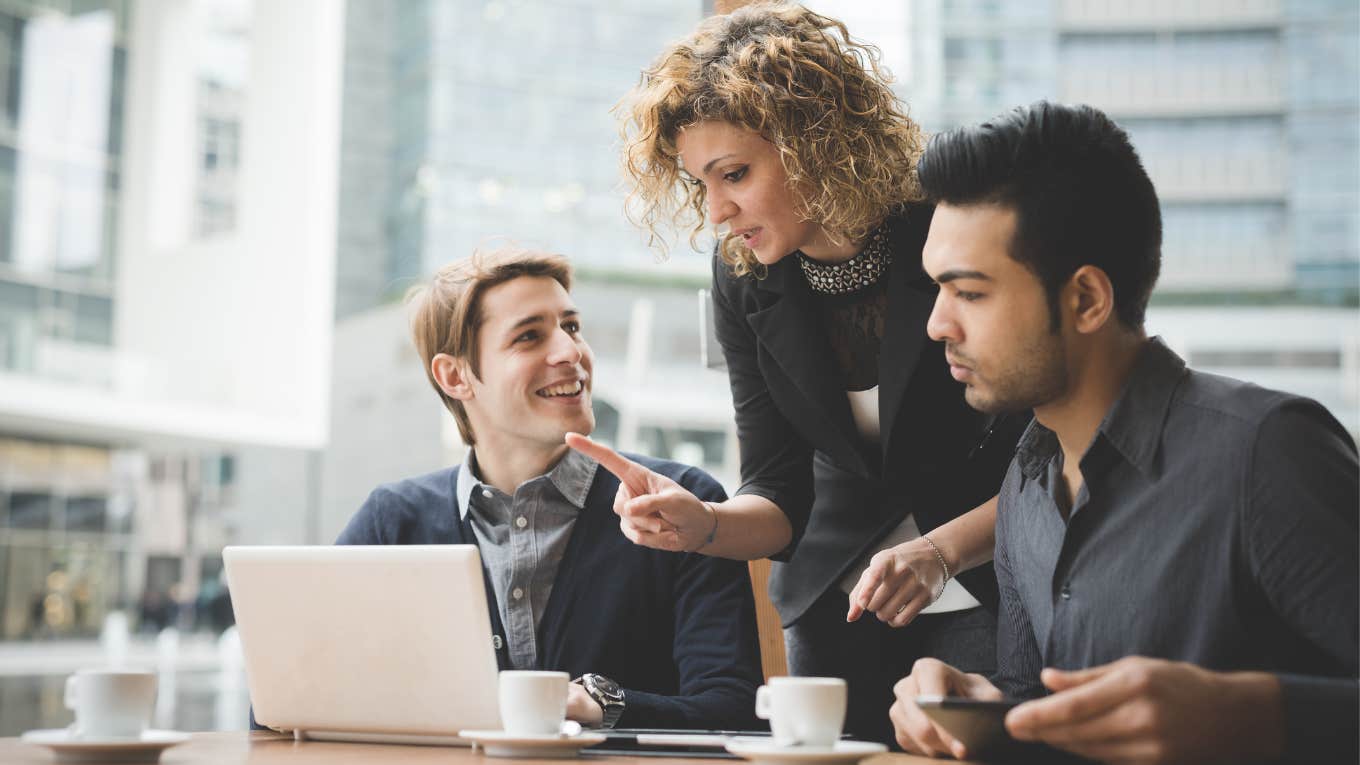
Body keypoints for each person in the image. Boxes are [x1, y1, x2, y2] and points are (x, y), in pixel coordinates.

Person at [568, 3, 1025, 744]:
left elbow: (1050, 459)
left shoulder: (948, 223)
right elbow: (780, 487)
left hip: (989, 583)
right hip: (834, 608)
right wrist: (705, 525)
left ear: (815, 141)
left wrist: (942, 550)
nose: (716, 211)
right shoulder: (743, 276)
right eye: (700, 186)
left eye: (736, 174)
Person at [888, 101, 1359, 764]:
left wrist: (1254, 715)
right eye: (938, 290)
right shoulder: (1025, 487)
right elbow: (1040, 717)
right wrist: (979, 710)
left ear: (1085, 299)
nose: (938, 325)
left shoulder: (1267, 453)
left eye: (970, 292)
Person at [331, 246, 763, 730]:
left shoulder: (680, 501)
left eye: (572, 327)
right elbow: (289, 701)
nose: (570, 352)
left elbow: (734, 709)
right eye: (530, 336)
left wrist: (604, 704)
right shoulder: (391, 522)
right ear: (455, 376)